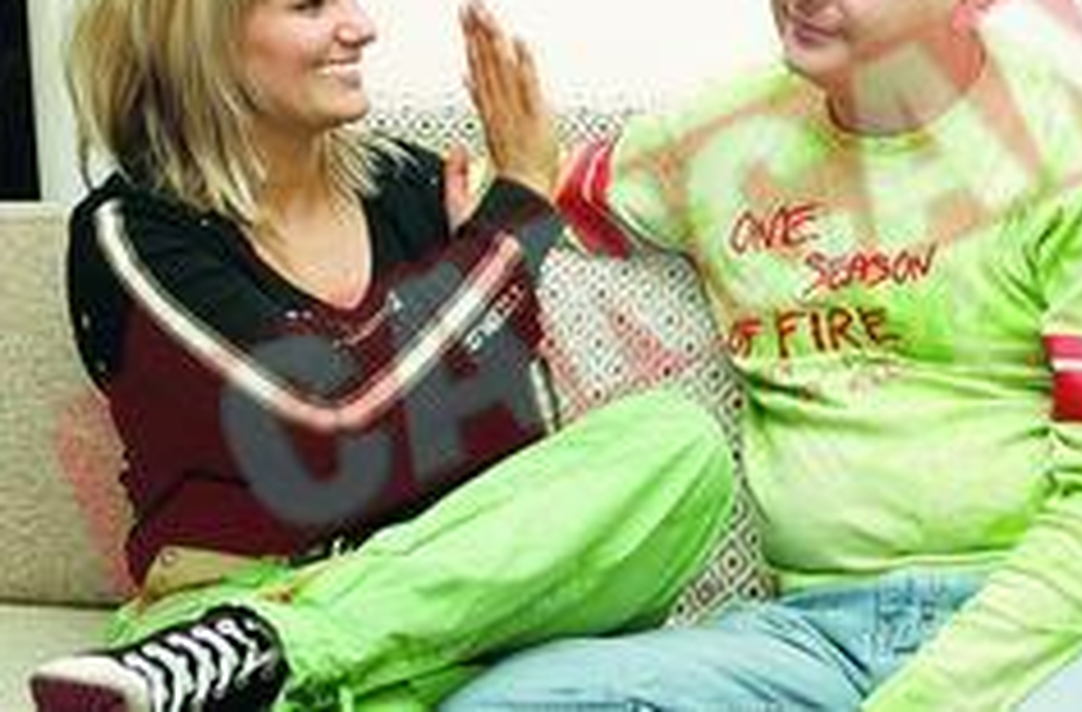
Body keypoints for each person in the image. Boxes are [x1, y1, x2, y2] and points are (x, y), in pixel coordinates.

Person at [444, 0, 1082, 709]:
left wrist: (924, 699)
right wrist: (503, 190)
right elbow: (544, 193)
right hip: (817, 640)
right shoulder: (719, 142)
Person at [29, 0, 736, 709]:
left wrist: (482, 274)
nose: (362, 27)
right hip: (245, 595)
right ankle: (270, 653)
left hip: (441, 606)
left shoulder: (410, 186)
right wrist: (508, 232)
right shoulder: (138, 233)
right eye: (310, 5)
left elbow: (514, 459)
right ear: (195, 38)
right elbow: (326, 423)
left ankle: (282, 651)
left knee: (680, 445)